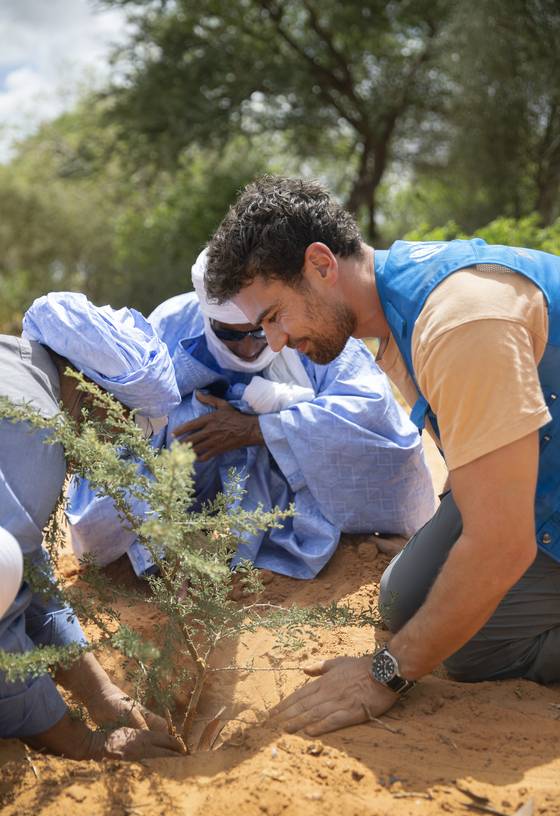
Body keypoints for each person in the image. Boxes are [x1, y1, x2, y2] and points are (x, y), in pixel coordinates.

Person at [202, 174, 560, 736]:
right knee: (405, 599)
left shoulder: (457, 323)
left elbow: (500, 543)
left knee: (477, 649)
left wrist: (385, 674)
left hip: (542, 497)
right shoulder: (391, 309)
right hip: (543, 474)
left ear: (321, 265)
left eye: (274, 316)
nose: (272, 343)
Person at [67, 250, 435, 580]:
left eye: (260, 332)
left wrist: (260, 428)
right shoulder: (172, 324)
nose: (247, 348)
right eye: (230, 335)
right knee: (182, 419)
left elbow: (375, 418)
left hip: (292, 481)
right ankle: (170, 546)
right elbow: (125, 420)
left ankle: (278, 539)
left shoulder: (308, 322)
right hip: (193, 472)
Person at [0, 292, 185, 760]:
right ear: (88, 390)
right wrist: (82, 742)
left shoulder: (19, 370)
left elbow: (29, 573)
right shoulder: (36, 439)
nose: (119, 447)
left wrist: (102, 696)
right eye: (125, 425)